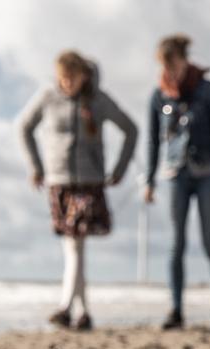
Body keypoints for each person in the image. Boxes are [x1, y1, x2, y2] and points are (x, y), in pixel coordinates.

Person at [18, 51, 138, 331]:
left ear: (84, 76)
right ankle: (83, 313)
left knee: (74, 243)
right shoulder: (48, 97)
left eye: (72, 78)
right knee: (75, 246)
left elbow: (131, 130)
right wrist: (35, 166)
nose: (66, 84)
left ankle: (64, 307)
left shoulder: (98, 100)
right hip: (58, 181)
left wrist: (119, 169)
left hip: (89, 181)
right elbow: (23, 128)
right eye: (62, 78)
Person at [144, 35, 210, 331]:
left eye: (174, 65)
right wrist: (149, 180)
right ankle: (176, 310)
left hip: (209, 173)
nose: (171, 72)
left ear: (184, 59)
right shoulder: (159, 96)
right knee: (176, 243)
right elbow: (153, 141)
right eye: (165, 68)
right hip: (175, 175)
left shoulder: (206, 89)